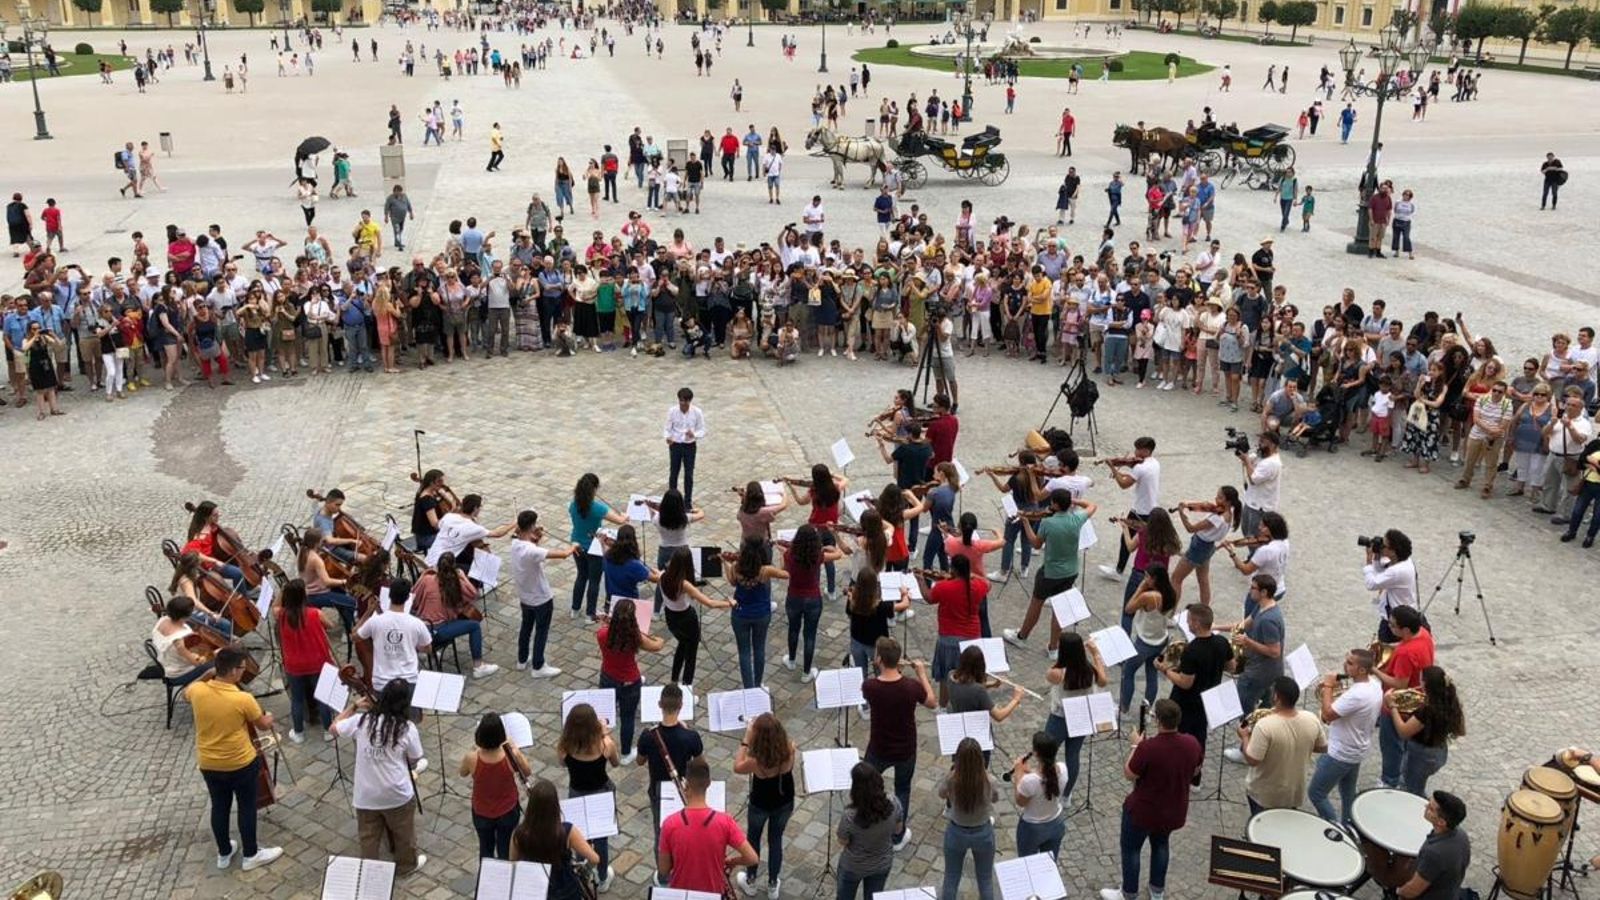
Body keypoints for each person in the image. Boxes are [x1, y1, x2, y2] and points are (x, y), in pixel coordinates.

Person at [187, 647, 283, 873]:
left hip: (209, 762)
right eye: (241, 668)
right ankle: (251, 853)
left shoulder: (198, 690)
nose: (243, 672)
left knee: (219, 807)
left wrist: (206, 674)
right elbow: (262, 725)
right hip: (240, 762)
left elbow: (187, 691)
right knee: (247, 807)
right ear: (232, 671)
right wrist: (269, 718)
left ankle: (224, 852)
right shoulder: (242, 698)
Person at [1099, 698, 1202, 900]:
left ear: (1157, 721)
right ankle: (1157, 891)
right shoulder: (1192, 742)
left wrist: (1135, 746)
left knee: (1132, 850)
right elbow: (1196, 769)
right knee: (1161, 845)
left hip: (1144, 811)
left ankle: (1128, 893)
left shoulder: (1149, 747)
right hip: (1173, 809)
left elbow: (1129, 773)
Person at [329, 679, 427, 875]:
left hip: (366, 794)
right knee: (404, 833)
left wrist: (354, 706)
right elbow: (415, 757)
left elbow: (334, 727)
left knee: (369, 837)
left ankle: (370, 870)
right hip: (396, 793)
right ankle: (406, 865)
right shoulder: (407, 728)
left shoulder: (362, 721)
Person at [864, 637, 937, 848]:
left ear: (879, 659)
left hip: (879, 747)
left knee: (869, 786)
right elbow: (932, 702)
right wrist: (922, 674)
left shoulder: (870, 686)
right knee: (902, 789)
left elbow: (882, 684)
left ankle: (870, 824)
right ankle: (897, 836)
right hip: (905, 748)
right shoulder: (911, 687)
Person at [1005, 488, 1097, 653]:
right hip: (1070, 571)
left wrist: (1026, 522)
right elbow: (1092, 505)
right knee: (1060, 608)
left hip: (1050, 572)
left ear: (1054, 503)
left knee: (1036, 604)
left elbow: (1036, 544)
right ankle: (1054, 647)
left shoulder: (1048, 523)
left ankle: (1022, 636)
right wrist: (1073, 502)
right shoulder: (1077, 518)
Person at [658, 756, 761, 894]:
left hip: (681, 893)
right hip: (713, 892)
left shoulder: (670, 823)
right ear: (709, 783)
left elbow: (664, 869)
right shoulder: (725, 822)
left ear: (685, 784)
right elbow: (752, 858)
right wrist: (732, 862)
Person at [1308, 648, 1382, 825]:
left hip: (1340, 753)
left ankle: (1335, 826)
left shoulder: (1356, 694)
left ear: (1362, 670)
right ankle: (1350, 824)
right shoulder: (1375, 684)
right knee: (1348, 792)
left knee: (1316, 793)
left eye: (1350, 663)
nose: (1344, 665)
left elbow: (1327, 715)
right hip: (1357, 749)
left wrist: (1328, 686)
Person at [636, 683, 704, 867]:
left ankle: (663, 873)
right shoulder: (691, 737)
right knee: (685, 829)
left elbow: (639, 761)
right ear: (681, 706)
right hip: (683, 789)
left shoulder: (648, 736)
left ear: (659, 705)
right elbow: (700, 765)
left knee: (661, 833)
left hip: (658, 790)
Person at [1238, 676, 1326, 814]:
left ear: (1276, 697)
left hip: (1264, 795)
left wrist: (1244, 737)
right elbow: (1322, 747)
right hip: (1293, 793)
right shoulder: (1311, 718)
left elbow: (1252, 760)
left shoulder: (1265, 725)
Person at [733, 712, 798, 897]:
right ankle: (772, 884)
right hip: (784, 801)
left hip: (760, 804)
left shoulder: (755, 761)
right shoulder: (789, 749)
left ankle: (751, 880)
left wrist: (746, 739)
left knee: (753, 840)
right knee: (775, 840)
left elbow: (737, 766)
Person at [558, 703, 621, 891]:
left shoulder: (565, 746)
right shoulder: (605, 745)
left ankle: (582, 873)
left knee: (579, 837)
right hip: (600, 793)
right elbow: (616, 763)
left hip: (576, 792)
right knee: (601, 840)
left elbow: (561, 763)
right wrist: (605, 734)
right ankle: (602, 877)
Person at [511, 509, 579, 678]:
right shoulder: (532, 550)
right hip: (540, 597)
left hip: (525, 596)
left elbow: (532, 547)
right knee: (541, 630)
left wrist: (537, 537)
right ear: (532, 526)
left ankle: (522, 659)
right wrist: (573, 546)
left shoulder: (515, 544)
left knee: (526, 627)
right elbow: (562, 555)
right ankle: (538, 665)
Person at [509, 778, 603, 900]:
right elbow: (595, 859)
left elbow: (513, 864)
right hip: (565, 888)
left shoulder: (518, 834)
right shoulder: (566, 831)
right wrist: (583, 869)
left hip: (536, 888)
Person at [597, 597, 665, 763]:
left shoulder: (602, 635)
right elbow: (657, 645)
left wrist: (609, 623)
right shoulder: (635, 637)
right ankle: (626, 753)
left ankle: (600, 745)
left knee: (603, 715)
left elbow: (610, 632)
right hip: (630, 682)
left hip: (608, 677)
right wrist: (658, 637)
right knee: (628, 717)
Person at [410, 554, 499, 679]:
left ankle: (423, 650)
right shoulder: (455, 583)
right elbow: (474, 594)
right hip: (438, 631)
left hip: (421, 628)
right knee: (474, 626)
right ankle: (478, 666)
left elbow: (413, 597)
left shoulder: (426, 579)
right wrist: (462, 576)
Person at [1375, 605, 1435, 789]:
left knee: (1391, 744)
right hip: (1418, 697)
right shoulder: (1424, 633)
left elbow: (1399, 684)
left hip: (1398, 703)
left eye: (1393, 626)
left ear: (1406, 630)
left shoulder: (1405, 653)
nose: (1390, 628)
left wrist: (1374, 670)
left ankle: (1389, 780)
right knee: (1405, 744)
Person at [459, 713, 531, 860]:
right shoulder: (510, 756)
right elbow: (527, 771)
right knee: (505, 849)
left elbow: (462, 773)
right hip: (508, 809)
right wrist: (514, 748)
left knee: (485, 849)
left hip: (482, 811)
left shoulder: (472, 758)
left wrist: (474, 749)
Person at [936, 737, 999, 900]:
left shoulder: (952, 779)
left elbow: (941, 793)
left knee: (951, 878)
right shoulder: (990, 780)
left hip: (956, 831)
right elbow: (995, 799)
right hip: (983, 832)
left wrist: (951, 773)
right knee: (985, 880)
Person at [276, 579, 337, 743]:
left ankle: (298, 732)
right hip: (317, 662)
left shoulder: (281, 615)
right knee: (322, 697)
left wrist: (283, 590)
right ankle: (328, 731)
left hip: (294, 665)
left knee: (297, 699)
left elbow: (274, 606)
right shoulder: (315, 613)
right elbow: (330, 625)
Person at [726, 535, 790, 689]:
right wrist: (783, 554)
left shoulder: (736, 567)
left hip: (740, 614)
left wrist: (725, 564)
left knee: (744, 652)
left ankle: (748, 687)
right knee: (759, 649)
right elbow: (786, 574)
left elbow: (732, 582)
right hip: (761, 613)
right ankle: (758, 682)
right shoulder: (765, 571)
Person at [1392, 666, 1466, 796]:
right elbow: (1461, 731)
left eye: (1421, 679)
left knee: (1411, 789)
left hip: (1421, 755)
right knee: (1418, 784)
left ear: (1425, 683)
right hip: (1439, 751)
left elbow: (1403, 732)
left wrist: (1392, 706)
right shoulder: (1450, 702)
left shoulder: (1427, 710)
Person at [1097, 437, 1161, 581]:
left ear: (1146, 450)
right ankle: (1135, 569)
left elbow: (1124, 485)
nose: (1135, 452)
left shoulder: (1140, 467)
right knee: (1142, 541)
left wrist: (1113, 468)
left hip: (1140, 511)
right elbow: (1136, 476)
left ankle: (1120, 571)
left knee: (1130, 540)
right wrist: (1123, 471)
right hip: (1150, 508)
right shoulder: (1154, 463)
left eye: (1138, 449)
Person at [568, 473, 630, 619]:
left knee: (581, 576)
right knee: (594, 580)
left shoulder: (573, 505)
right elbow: (620, 520)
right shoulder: (597, 508)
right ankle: (590, 614)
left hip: (576, 543)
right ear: (594, 489)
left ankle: (575, 609)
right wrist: (625, 516)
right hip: (594, 547)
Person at [836, 762, 900, 900]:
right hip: (882, 863)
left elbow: (843, 841)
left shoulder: (850, 815)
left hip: (853, 866)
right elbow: (898, 829)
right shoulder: (894, 802)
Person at [355, 578, 432, 692]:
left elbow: (354, 636)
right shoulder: (417, 623)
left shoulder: (375, 621)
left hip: (381, 683)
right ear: (407, 598)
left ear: (389, 596)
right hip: (409, 681)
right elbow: (428, 649)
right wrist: (413, 645)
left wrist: (369, 611)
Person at [1120, 564, 1177, 714]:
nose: (1145, 579)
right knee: (1152, 674)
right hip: (1161, 639)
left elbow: (1129, 608)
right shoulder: (1171, 593)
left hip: (1145, 641)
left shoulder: (1149, 597)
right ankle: (1148, 707)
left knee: (1128, 671)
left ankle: (1124, 705)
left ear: (1155, 579)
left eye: (1147, 577)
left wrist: (1140, 588)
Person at [1398, 791, 1472, 900]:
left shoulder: (1434, 853)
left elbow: (1412, 891)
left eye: (1431, 808)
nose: (1425, 806)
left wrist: (1398, 891)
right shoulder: (1461, 835)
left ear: (1441, 822)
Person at [1011, 731, 1069, 859]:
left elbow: (1020, 801)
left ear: (1036, 754)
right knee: (1049, 865)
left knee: (1027, 864)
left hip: (1032, 829)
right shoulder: (1063, 768)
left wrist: (1018, 773)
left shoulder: (1029, 781)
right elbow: (1047, 779)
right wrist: (1030, 771)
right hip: (1056, 822)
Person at [150, 595, 215, 689]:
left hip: (167, 662)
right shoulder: (182, 637)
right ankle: (198, 691)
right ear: (184, 617)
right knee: (218, 665)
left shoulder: (163, 620)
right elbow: (197, 663)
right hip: (178, 674)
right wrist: (211, 654)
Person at [1364, 529, 1417, 641]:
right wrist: (1377, 557)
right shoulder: (1404, 561)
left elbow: (1372, 584)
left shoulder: (1397, 571)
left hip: (1396, 623)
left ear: (1393, 551)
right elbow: (1381, 573)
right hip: (1402, 615)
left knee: (1385, 652)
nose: (1381, 547)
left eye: (1384, 545)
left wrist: (1369, 560)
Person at [665, 387, 706, 508]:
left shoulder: (697, 412)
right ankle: (672, 500)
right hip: (676, 445)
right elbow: (667, 427)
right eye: (681, 401)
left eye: (685, 402)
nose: (683, 404)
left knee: (689, 474)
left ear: (690, 401)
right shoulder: (672, 411)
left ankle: (687, 502)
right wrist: (668, 437)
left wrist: (694, 434)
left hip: (689, 446)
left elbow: (702, 429)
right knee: (673, 472)